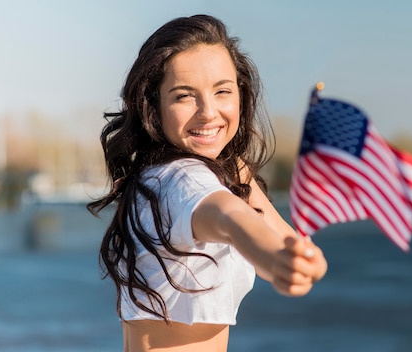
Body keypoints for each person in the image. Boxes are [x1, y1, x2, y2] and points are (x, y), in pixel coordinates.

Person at [87, 14, 327, 352]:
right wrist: (275, 261)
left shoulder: (173, 173)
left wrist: (299, 258)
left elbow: (279, 238)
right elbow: (229, 219)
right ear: (153, 105)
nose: (208, 112)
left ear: (241, 94)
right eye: (185, 96)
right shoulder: (184, 179)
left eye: (222, 91)